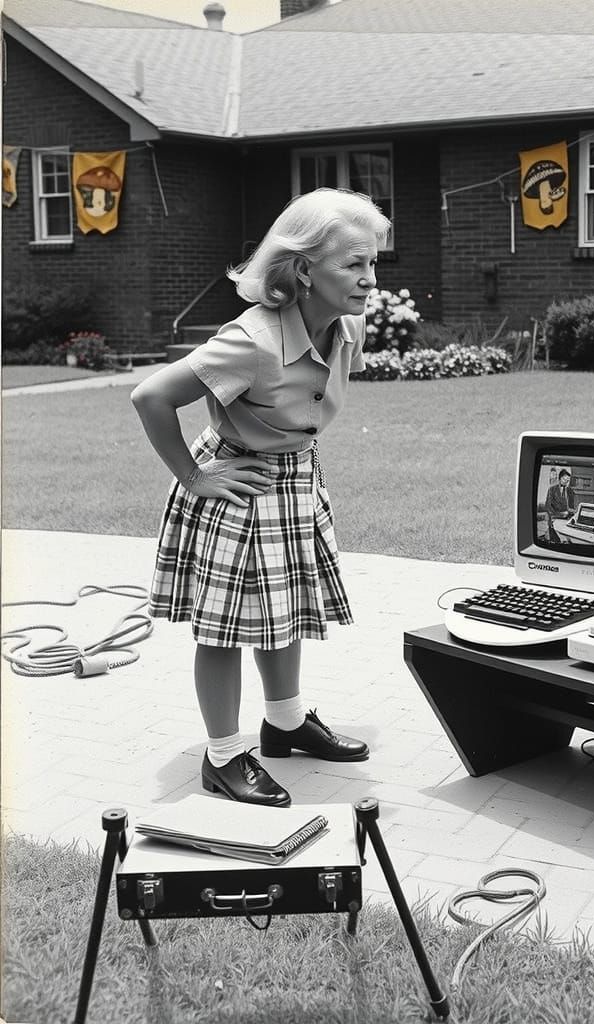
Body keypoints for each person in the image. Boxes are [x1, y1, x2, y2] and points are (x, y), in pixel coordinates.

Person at [131, 188, 390, 807]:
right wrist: (195, 478)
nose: (369, 278)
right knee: (223, 630)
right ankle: (222, 757)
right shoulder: (250, 340)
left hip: (295, 482)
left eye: (373, 262)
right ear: (304, 270)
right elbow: (151, 396)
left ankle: (286, 723)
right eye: (353, 264)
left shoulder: (347, 326)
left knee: (285, 610)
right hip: (236, 488)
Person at [544, 469, 576, 541]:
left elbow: (571, 507)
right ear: (559, 478)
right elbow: (548, 506)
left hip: (566, 521)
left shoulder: (570, 491)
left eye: (568, 480)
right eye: (564, 479)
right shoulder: (551, 489)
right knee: (555, 541)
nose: (566, 482)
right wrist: (560, 514)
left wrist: (572, 512)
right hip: (554, 518)